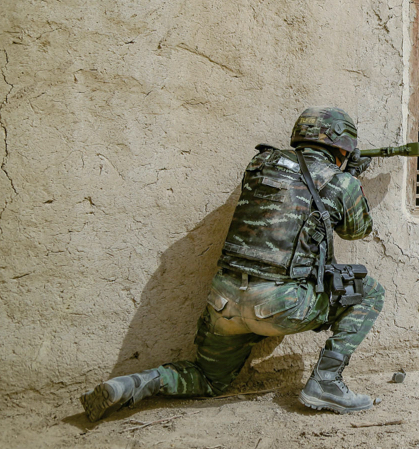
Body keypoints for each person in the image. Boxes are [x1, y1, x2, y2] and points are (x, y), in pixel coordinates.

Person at [81, 107, 386, 421]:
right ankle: (326, 382)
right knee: (369, 292)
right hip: (280, 306)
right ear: (341, 148)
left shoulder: (259, 163)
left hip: (224, 302)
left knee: (208, 378)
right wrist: (350, 179)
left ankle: (129, 384)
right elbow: (357, 230)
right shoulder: (340, 182)